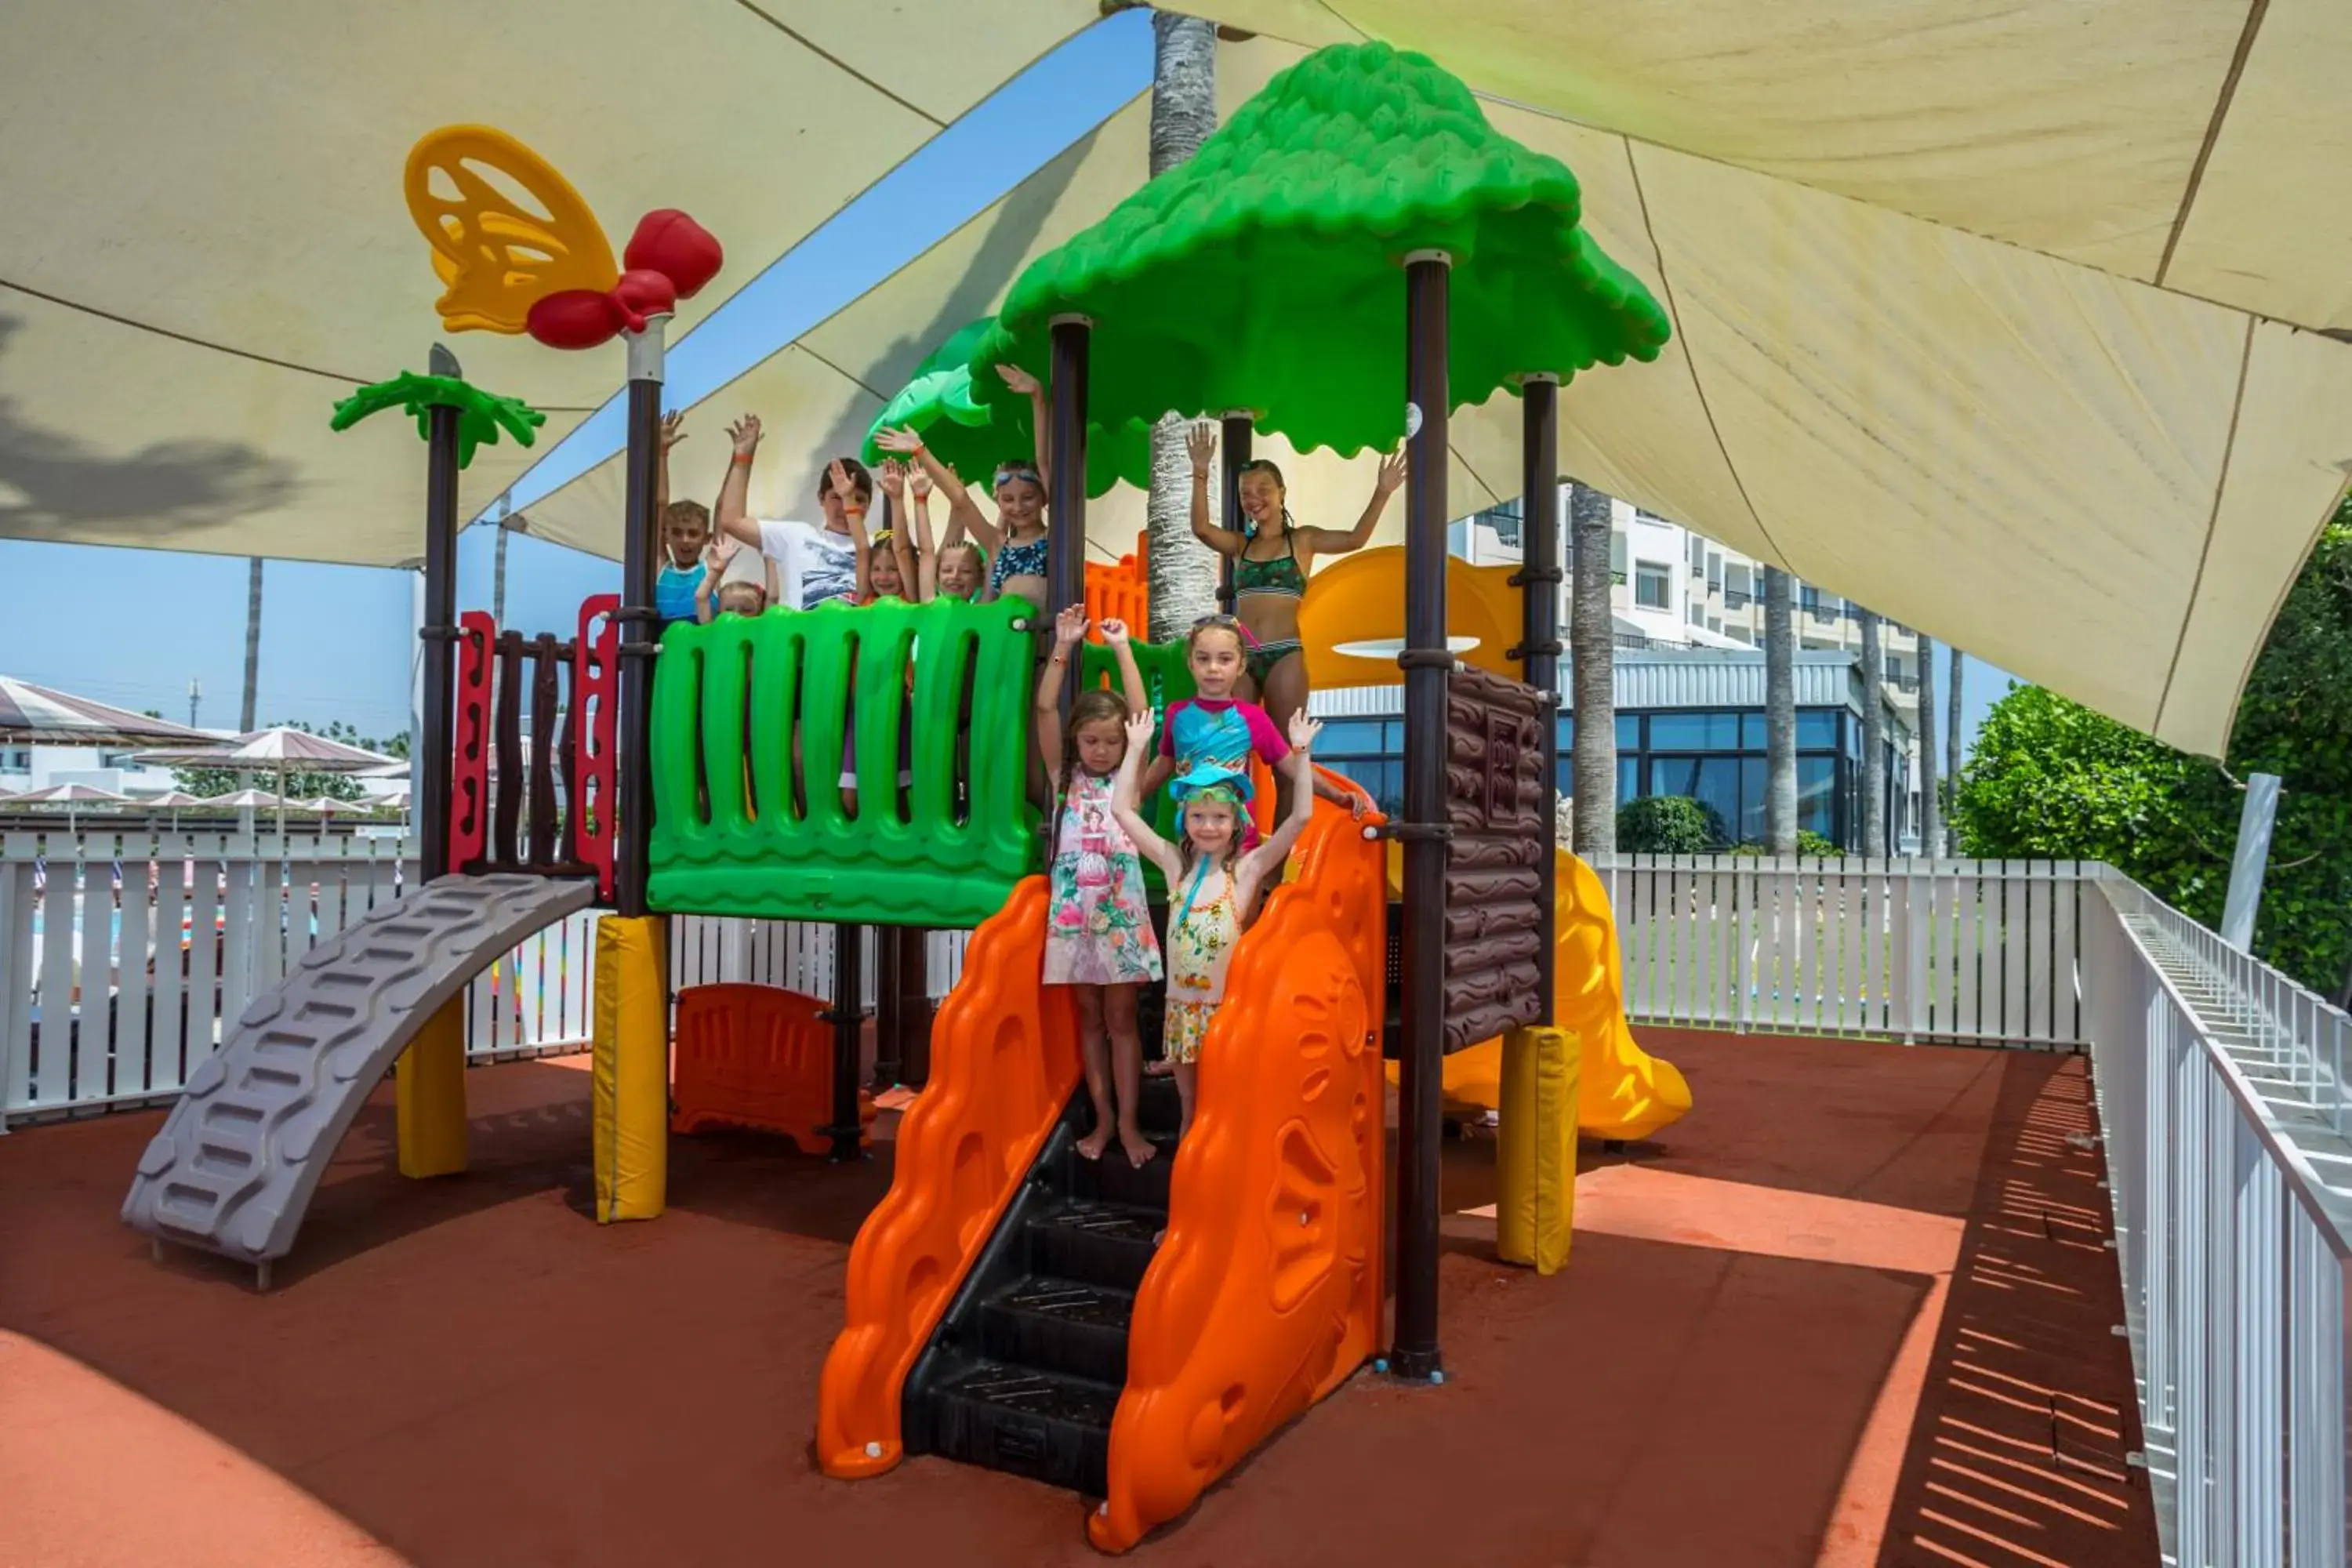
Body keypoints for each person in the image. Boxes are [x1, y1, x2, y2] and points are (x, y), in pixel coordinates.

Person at [1112, 705, 1321, 1137]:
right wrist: (1135, 750)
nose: (1209, 827)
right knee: (1190, 1111)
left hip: (1226, 1015)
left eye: (1220, 818)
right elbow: (1122, 813)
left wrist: (1300, 753)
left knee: (1228, 1108)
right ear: (1184, 821)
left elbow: (1300, 817)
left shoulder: (1245, 872)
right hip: (1182, 1013)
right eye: (1199, 817)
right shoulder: (1175, 866)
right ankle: (1191, 1194)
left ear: (1236, 821)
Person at [1185, 425, 1406, 808]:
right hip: (1242, 658)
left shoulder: (1301, 540)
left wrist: (1383, 490)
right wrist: (1200, 471)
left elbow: (1355, 538)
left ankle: (1277, 867)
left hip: (1285, 654)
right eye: (1245, 493)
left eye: (1262, 490)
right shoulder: (1241, 545)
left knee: (1285, 759)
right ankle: (1232, 842)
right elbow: (1201, 529)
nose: (1253, 499)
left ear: (1282, 492)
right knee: (1225, 749)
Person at [1036, 604, 1158, 1166]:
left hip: (1122, 917)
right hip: (1074, 916)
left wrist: (1123, 649)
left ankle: (1130, 1124)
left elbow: (1141, 711)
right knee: (1088, 1019)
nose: (1102, 751)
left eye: (1111, 741)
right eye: (1091, 741)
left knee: (1121, 1021)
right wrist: (1063, 645)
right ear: (1077, 743)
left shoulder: (1130, 783)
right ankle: (1104, 1119)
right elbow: (1043, 706)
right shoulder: (1065, 781)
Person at [1135, 615, 1367, 822]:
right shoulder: (1177, 714)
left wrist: (1336, 795)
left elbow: (1291, 766)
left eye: (1224, 659)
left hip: (1237, 835)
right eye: (1203, 659)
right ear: (1191, 664)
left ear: (1240, 666)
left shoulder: (1251, 718)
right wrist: (1132, 800)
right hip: (1192, 830)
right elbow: (1164, 763)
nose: (1213, 668)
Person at [873, 364, 1054, 612]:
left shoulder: (1054, 538)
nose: (1019, 506)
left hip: (1047, 643)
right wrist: (920, 451)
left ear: (1044, 496)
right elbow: (961, 500)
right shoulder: (998, 547)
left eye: (1028, 497)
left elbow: (1043, 461)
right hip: (1008, 646)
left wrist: (1037, 397)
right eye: (1009, 499)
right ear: (998, 502)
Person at [713, 414, 872, 611]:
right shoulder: (797, 535)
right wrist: (743, 458)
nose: (846, 507)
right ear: (821, 498)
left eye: (858, 500)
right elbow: (731, 521)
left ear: (869, 505)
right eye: (836, 497)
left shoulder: (878, 547)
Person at [652, 412, 710, 625]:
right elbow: (660, 504)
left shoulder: (710, 569)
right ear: (665, 535)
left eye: (693, 534)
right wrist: (661, 454)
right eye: (676, 532)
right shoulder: (662, 569)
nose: (685, 540)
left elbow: (723, 507)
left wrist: (741, 457)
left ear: (707, 538)